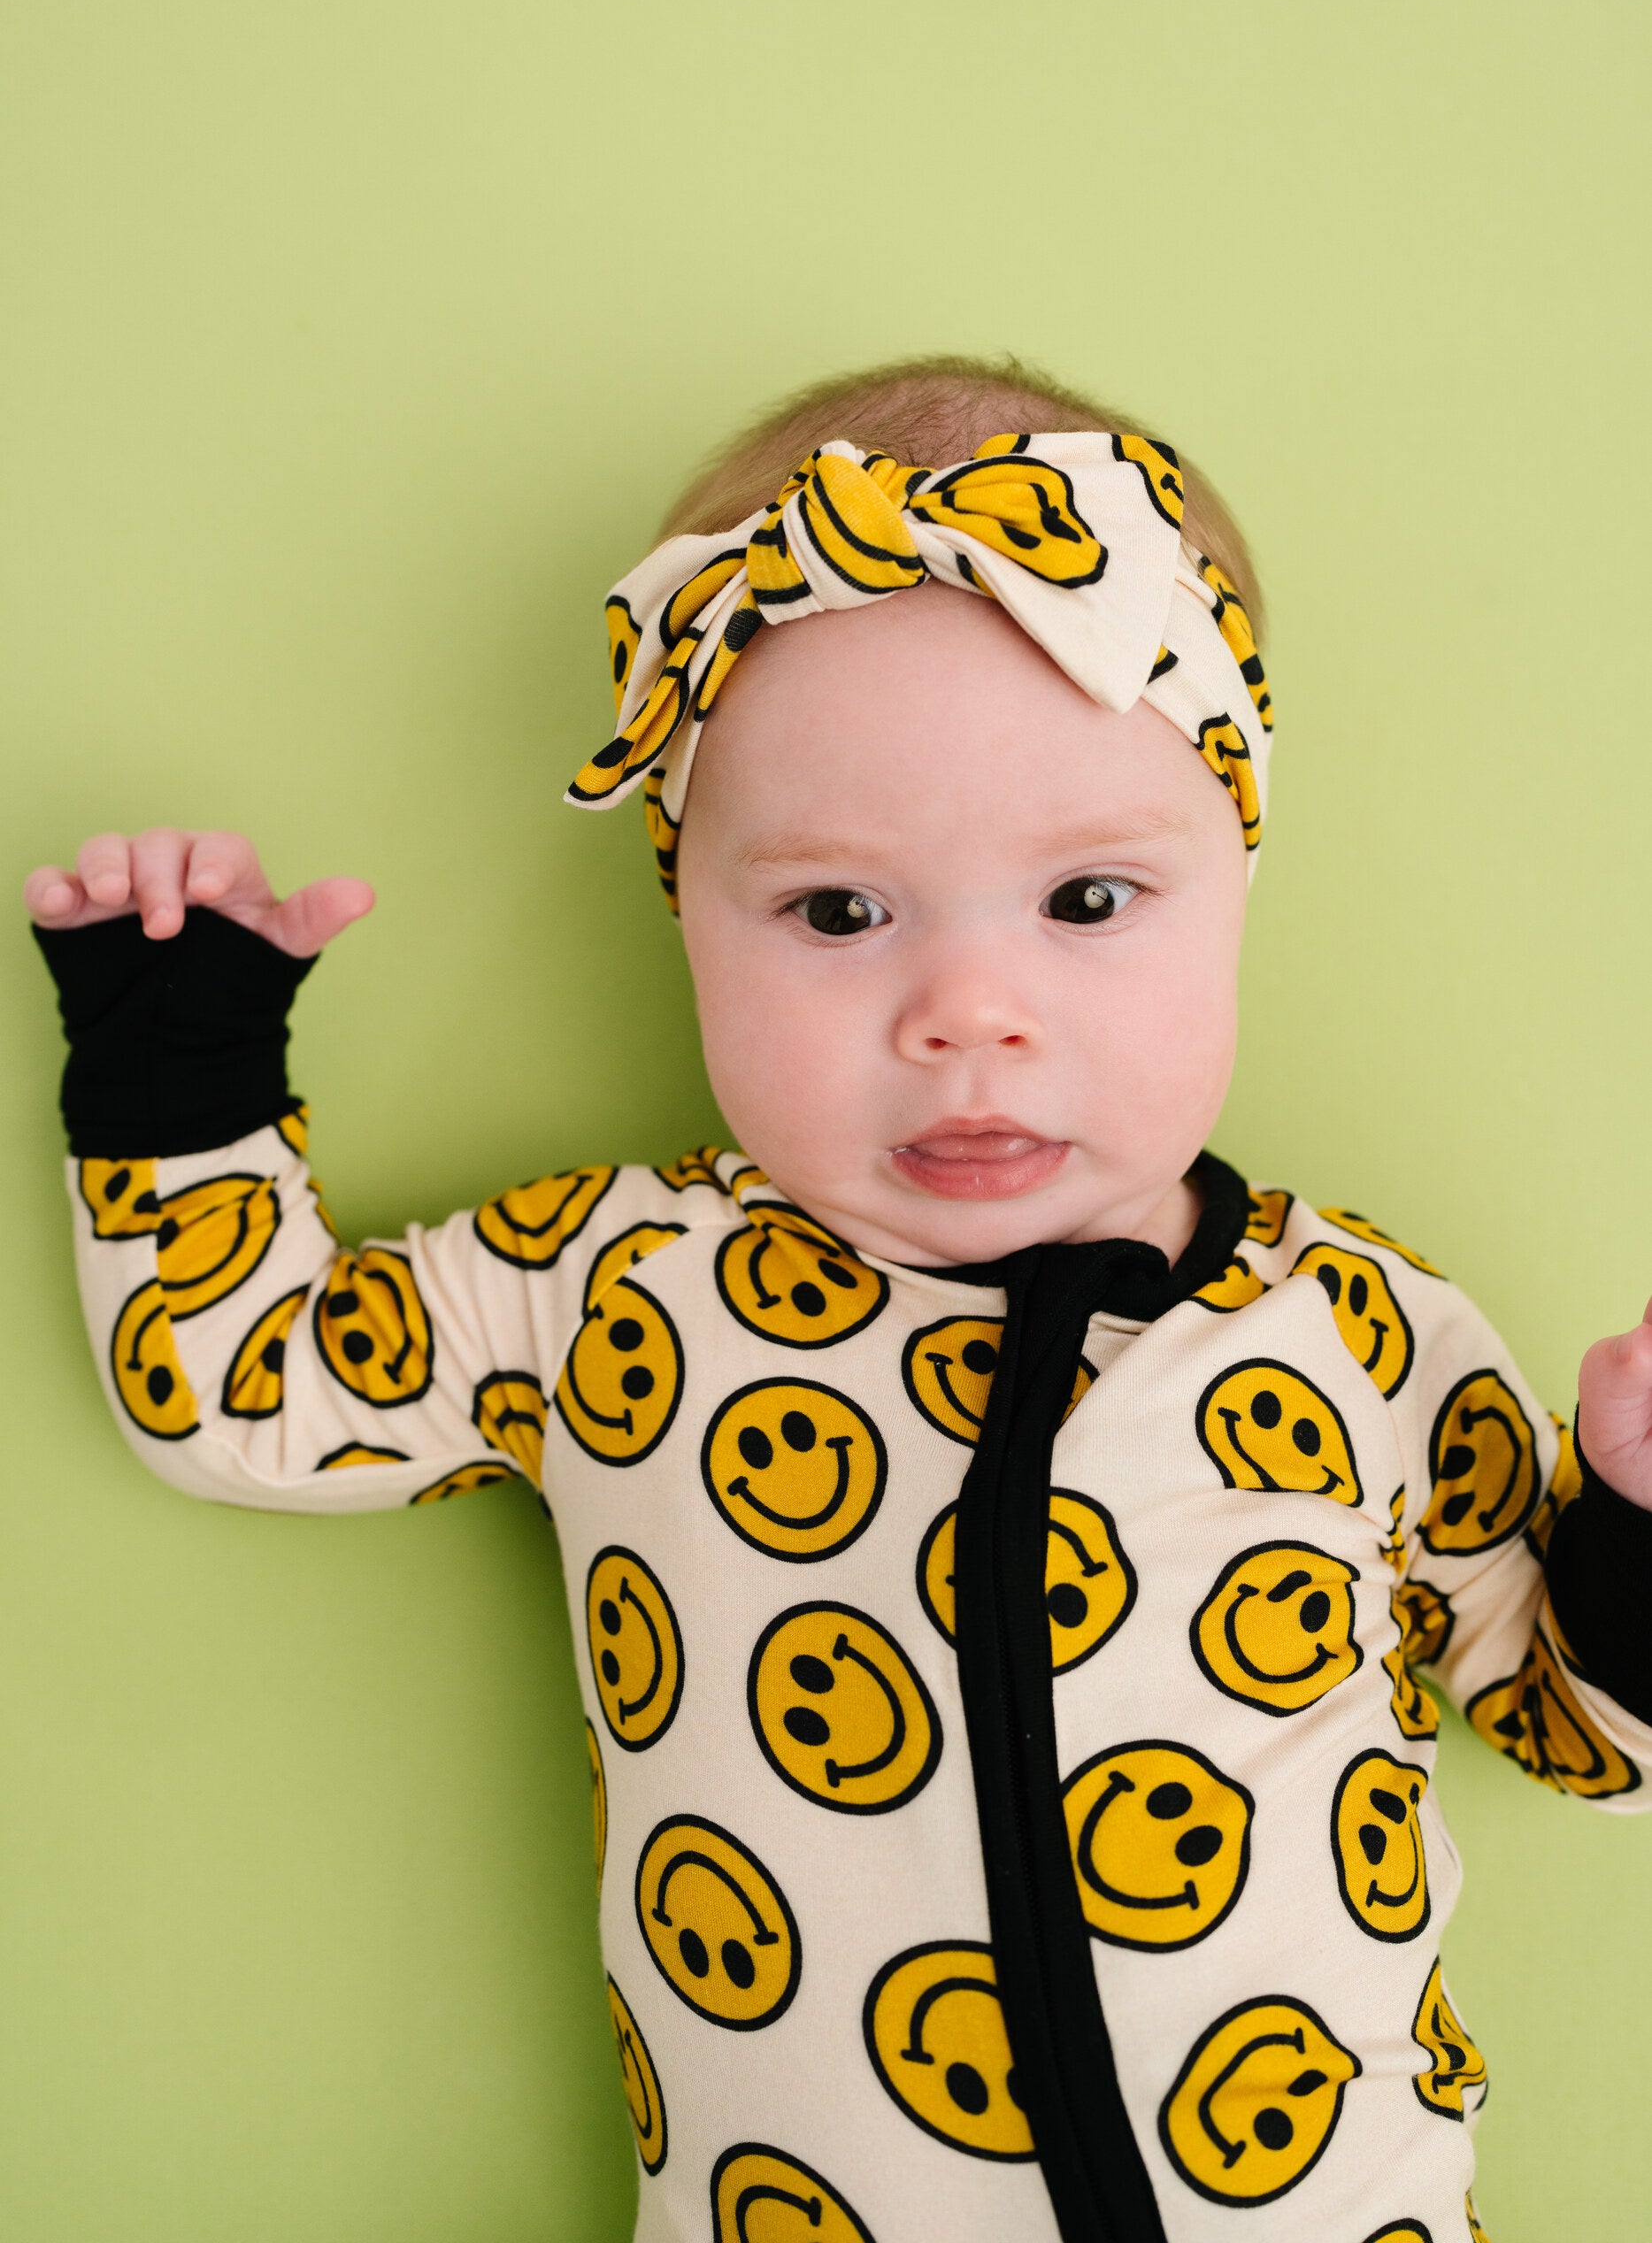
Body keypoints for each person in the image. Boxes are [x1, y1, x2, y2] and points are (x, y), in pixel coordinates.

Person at [26, 355, 1652, 2243]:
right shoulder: (619, 1290)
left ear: (1234, 884)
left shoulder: (1361, 1335)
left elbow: (1588, 1736)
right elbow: (244, 1389)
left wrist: (1634, 1526)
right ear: (688, 914)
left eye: (1089, 900)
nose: (967, 1014)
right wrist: (181, 1059)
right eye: (838, 912)